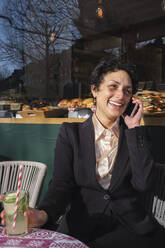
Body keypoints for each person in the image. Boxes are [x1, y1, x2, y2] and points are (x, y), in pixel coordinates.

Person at [1, 58, 165, 247]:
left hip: (129, 228)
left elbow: (143, 183)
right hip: (83, 225)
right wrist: (43, 214)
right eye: (113, 87)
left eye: (127, 91)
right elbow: (62, 184)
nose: (121, 95)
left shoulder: (135, 135)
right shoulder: (71, 133)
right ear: (94, 90)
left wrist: (135, 128)